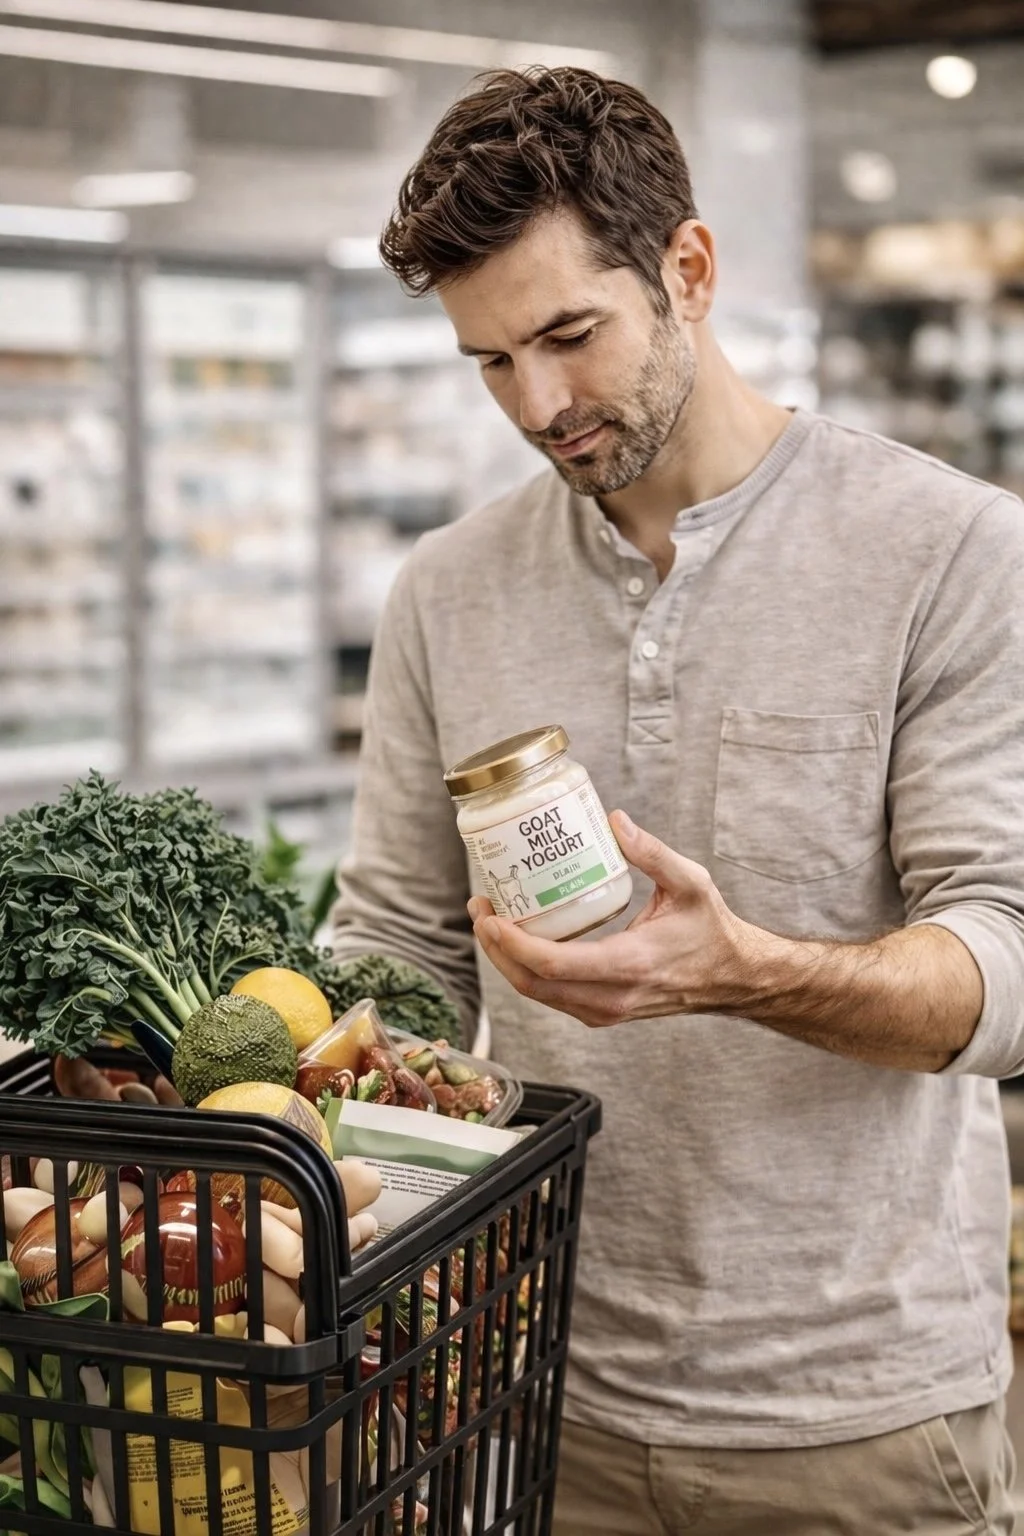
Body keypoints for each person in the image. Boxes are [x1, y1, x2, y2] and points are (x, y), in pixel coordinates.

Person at [329, 65, 1024, 1534]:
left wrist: (742, 973)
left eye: (571, 336)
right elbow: (392, 945)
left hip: (859, 1417)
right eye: (491, 362)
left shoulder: (952, 552)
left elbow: (1005, 968)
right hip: (528, 1385)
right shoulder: (445, 591)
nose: (541, 404)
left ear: (688, 270)